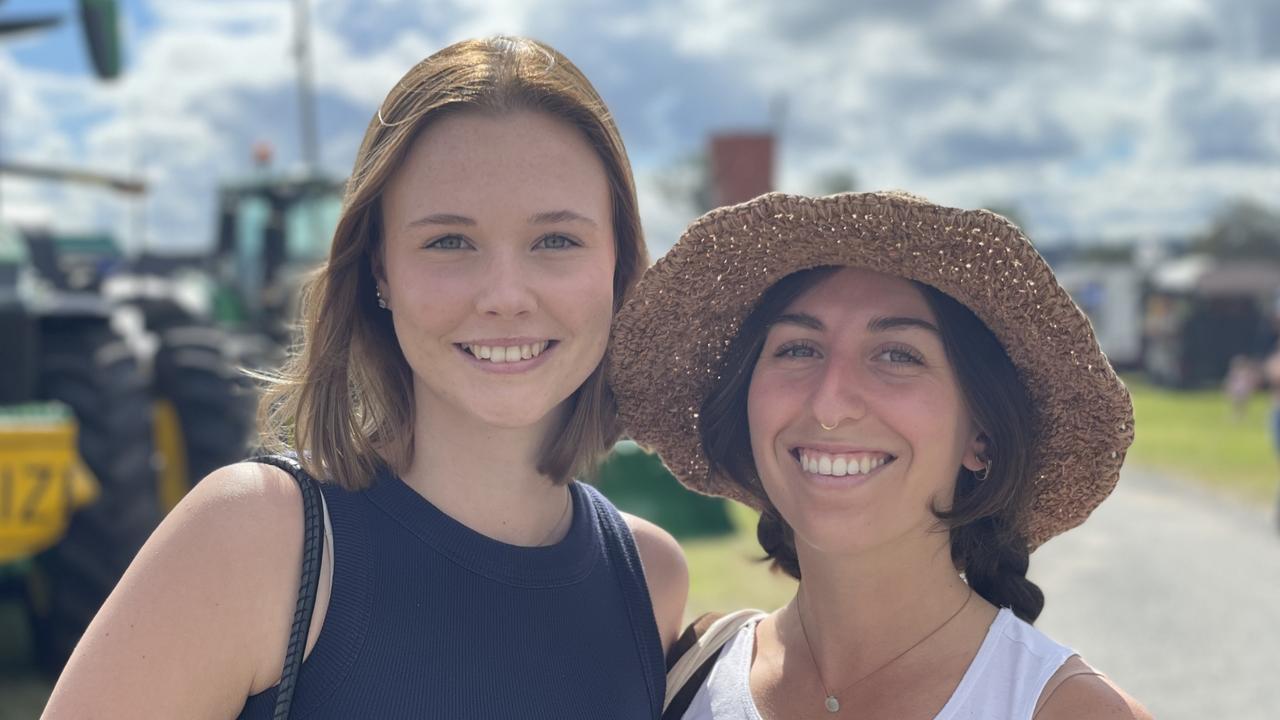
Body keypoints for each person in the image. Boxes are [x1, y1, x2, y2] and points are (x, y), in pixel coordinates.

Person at [43, 36, 687, 719]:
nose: (505, 294)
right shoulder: (256, 539)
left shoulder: (649, 581)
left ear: (620, 267)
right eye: (448, 241)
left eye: (556, 240)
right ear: (380, 268)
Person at [609, 191, 1151, 719]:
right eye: (798, 348)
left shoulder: (1073, 710)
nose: (830, 404)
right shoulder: (685, 672)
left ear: (982, 438)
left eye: (897, 355)